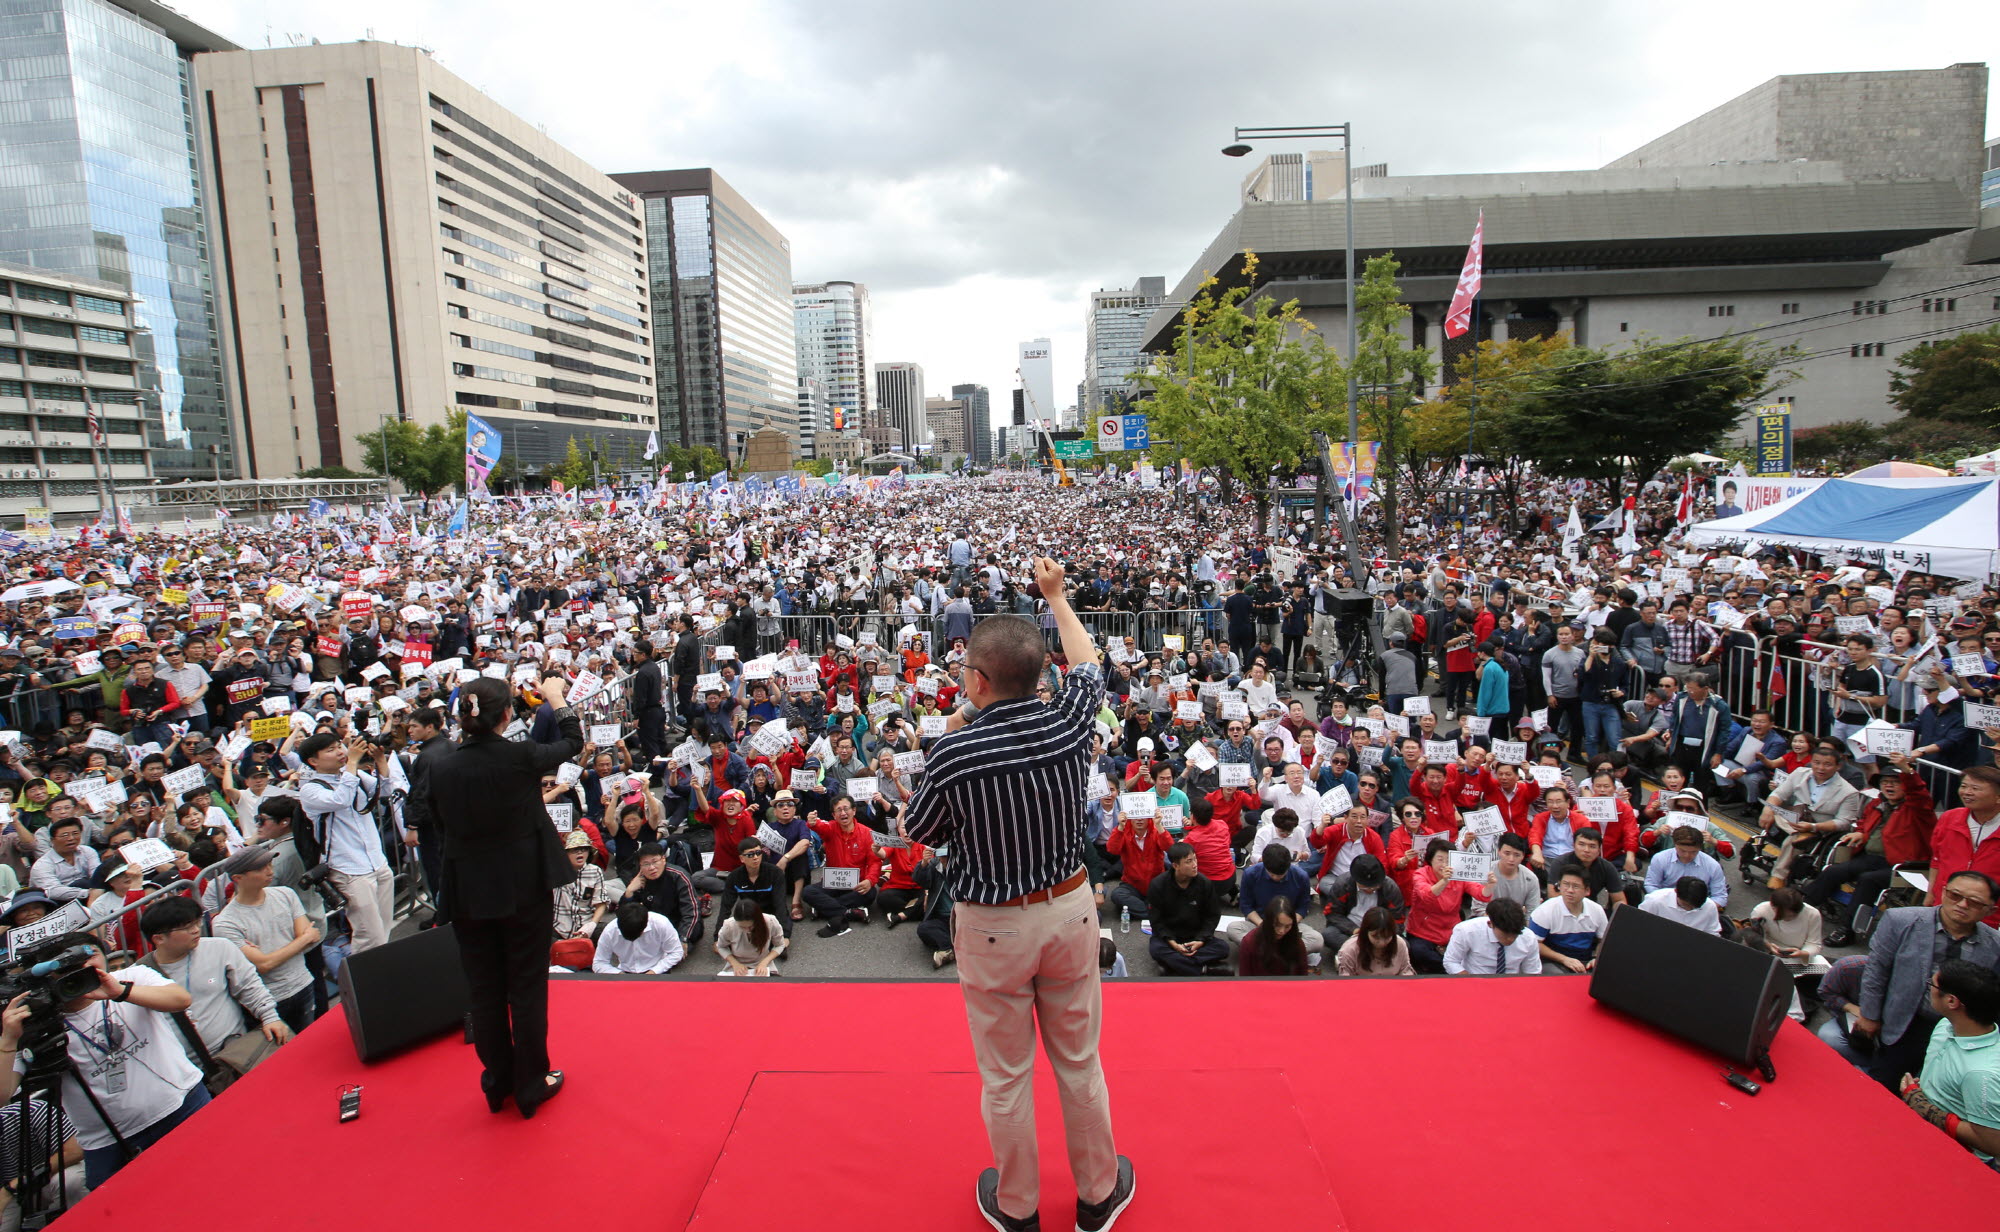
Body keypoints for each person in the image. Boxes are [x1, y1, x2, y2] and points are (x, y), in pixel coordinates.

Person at [902, 558, 1132, 1232]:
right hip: (1067, 909)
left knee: (1006, 1075)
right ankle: (1096, 1195)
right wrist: (1056, 597)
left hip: (992, 923)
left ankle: (1019, 1207)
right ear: (1039, 675)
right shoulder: (1069, 723)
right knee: (1080, 1061)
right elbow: (1090, 667)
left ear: (976, 681)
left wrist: (945, 741)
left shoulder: (955, 752)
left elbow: (920, 831)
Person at [426, 673, 583, 1120]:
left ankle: (497, 1083)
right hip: (521, 887)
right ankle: (531, 1083)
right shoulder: (520, 756)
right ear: (508, 715)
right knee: (526, 988)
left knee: (485, 990)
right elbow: (572, 740)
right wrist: (555, 698)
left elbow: (439, 823)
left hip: (467, 890)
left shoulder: (441, 766)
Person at [0, 934, 204, 1190]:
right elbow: (3, 1096)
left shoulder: (131, 977)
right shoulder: (34, 1022)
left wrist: (120, 992)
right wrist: (8, 1041)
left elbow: (181, 1000)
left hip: (183, 1104)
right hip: (108, 1142)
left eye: (86, 964)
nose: (79, 977)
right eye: (65, 974)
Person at [1839, 872, 2000, 1088]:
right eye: (1955, 895)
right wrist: (1870, 1015)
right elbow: (1877, 971)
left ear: (1991, 910)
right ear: (1943, 891)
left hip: (1956, 1030)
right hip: (1904, 1021)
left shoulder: (1994, 945)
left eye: (1974, 902)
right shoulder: (1900, 920)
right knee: (1885, 1087)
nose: (1962, 905)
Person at [138, 896, 290, 1080]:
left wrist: (270, 1017)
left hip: (239, 1053)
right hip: (188, 1072)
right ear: (159, 938)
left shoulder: (219, 948)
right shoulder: (139, 976)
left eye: (197, 922)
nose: (196, 930)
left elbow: (249, 985)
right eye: (187, 927)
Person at [295, 729, 396, 953]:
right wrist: (352, 763)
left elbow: (387, 791)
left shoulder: (353, 775)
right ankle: (367, 982)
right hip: (349, 869)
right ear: (313, 761)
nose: (341, 751)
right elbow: (341, 800)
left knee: (384, 927)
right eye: (331, 750)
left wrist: (379, 760)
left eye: (340, 746)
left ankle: (386, 973)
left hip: (376, 861)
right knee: (369, 935)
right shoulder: (310, 789)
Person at [1898, 959, 2000, 1169]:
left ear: (1952, 1001)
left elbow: (1992, 1142)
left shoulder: (1981, 1074)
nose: (1929, 989)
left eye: (1933, 985)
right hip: (1918, 1135)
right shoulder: (1946, 1025)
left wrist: (1926, 1109)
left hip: (1955, 1162)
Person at [208, 847, 318, 1034]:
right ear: (238, 878)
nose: (270, 871)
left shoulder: (285, 894)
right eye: (260, 869)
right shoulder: (225, 922)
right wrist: (302, 939)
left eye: (269, 864)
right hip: (269, 1000)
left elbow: (312, 938)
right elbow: (264, 964)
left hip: (303, 984)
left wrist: (302, 940)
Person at [1146, 843, 1227, 976]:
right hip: (1170, 936)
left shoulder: (1204, 883)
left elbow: (1212, 916)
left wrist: (1200, 940)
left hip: (1195, 935)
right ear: (1175, 865)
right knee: (1157, 949)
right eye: (1189, 862)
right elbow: (1156, 921)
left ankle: (1174, 966)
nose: (1195, 864)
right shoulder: (1158, 885)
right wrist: (1172, 943)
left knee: (1223, 948)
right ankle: (1204, 970)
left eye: (1195, 859)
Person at [1529, 868, 1610, 973]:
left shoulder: (1597, 910)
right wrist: (1564, 959)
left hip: (1585, 960)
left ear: (1587, 891)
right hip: (1554, 961)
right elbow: (1534, 944)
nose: (1570, 890)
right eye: (1566, 884)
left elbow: (1603, 940)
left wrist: (1598, 959)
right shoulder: (1545, 911)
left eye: (1576, 886)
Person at [1442, 898, 1540, 974]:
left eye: (1515, 934)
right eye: (1505, 934)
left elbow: (1532, 971)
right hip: (1474, 980)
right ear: (1490, 924)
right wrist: (1470, 980)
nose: (1510, 939)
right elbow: (1451, 962)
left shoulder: (1529, 938)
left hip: (1510, 983)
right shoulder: (1466, 931)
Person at [591, 898, 685, 975]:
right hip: (625, 973)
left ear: (644, 927)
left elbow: (676, 952)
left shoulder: (661, 924)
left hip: (658, 970)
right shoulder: (610, 931)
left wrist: (654, 971)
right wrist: (619, 974)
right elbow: (599, 962)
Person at [1235, 895, 1311, 976]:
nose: (1282, 931)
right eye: (1277, 925)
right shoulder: (1249, 943)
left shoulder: (1297, 943)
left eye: (1287, 926)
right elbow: (1245, 979)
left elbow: (1303, 976)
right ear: (1268, 921)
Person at [714, 897, 788, 976]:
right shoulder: (729, 926)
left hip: (762, 963)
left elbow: (780, 945)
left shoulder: (770, 922)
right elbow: (721, 947)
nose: (747, 930)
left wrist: (764, 962)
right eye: (742, 927)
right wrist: (735, 964)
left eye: (750, 926)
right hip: (737, 964)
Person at [1333, 905, 1415, 976]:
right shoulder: (1349, 950)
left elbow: (1405, 972)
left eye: (1387, 937)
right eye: (1376, 937)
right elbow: (1346, 982)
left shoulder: (1400, 944)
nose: (1381, 943)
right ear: (1365, 932)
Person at [1638, 876, 1724, 934]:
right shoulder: (1655, 900)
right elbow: (1640, 925)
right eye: (1685, 905)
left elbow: (1712, 933)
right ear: (1676, 892)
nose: (1689, 909)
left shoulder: (1709, 906)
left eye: (1695, 908)